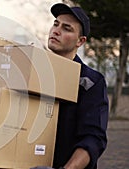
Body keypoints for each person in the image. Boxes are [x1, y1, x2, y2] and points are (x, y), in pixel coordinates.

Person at [32, 3, 109, 169]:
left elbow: (93, 138)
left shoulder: (91, 82)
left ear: (80, 41)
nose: (56, 31)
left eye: (67, 28)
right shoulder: (33, 73)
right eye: (56, 24)